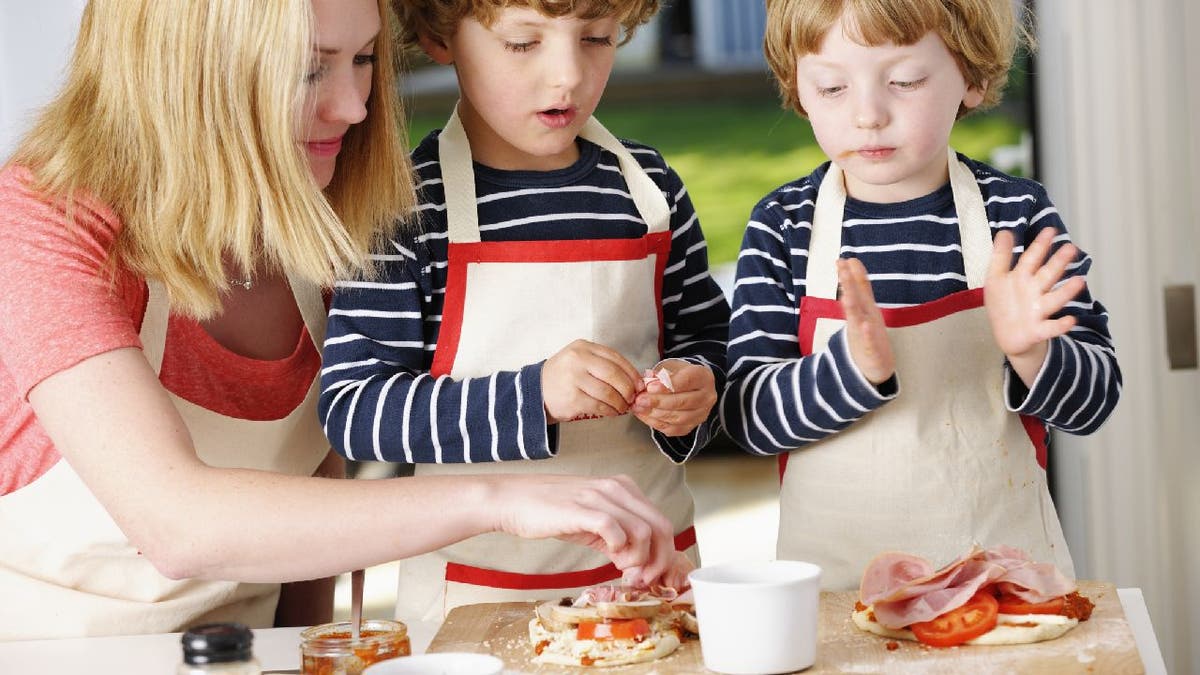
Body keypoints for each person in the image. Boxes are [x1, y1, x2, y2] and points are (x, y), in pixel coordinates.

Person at [0, 0, 680, 641]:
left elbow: (316, 488)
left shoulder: (322, 211)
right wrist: (503, 496)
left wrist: (312, 647)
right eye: (309, 68)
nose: (355, 107)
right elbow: (177, 523)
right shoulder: (41, 225)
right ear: (189, 67)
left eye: (364, 59)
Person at [318, 0, 731, 620]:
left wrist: (697, 389)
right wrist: (532, 395)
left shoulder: (652, 191)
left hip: (653, 583)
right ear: (439, 36)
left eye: (596, 38)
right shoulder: (405, 208)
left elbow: (712, 341)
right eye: (521, 44)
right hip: (478, 595)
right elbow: (354, 411)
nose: (567, 75)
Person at [721, 0, 1122, 590]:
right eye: (832, 87)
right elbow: (747, 417)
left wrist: (1031, 354)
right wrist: (850, 372)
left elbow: (1095, 403)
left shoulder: (1015, 216)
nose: (868, 115)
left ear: (973, 77)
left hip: (1004, 585)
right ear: (797, 89)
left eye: (904, 80)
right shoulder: (785, 226)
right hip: (839, 592)